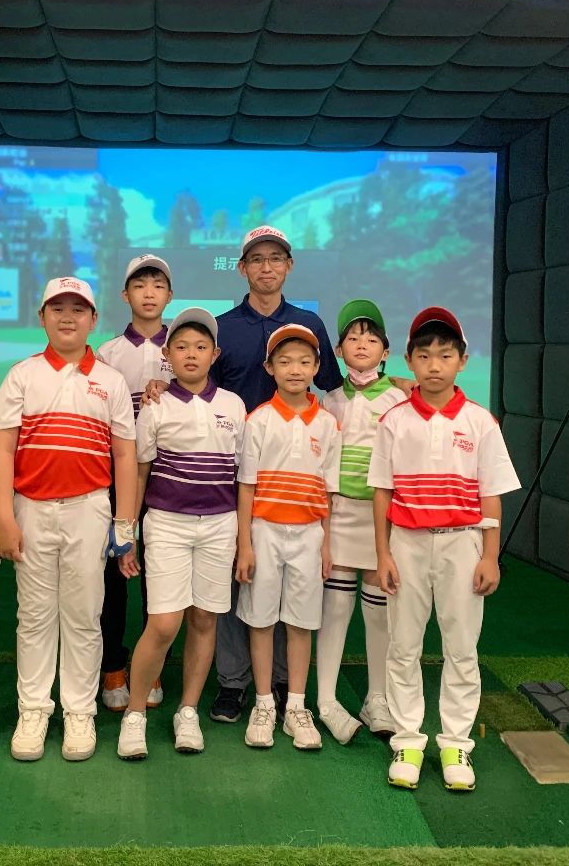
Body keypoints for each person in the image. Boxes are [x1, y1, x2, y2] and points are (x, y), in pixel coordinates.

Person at [369, 307, 521, 791]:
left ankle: (456, 744)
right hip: (407, 544)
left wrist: (490, 555)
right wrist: (383, 554)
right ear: (409, 361)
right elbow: (382, 492)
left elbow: (491, 493)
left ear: (462, 361)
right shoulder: (394, 421)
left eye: (445, 355)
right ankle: (408, 742)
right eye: (424, 355)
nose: (434, 365)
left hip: (462, 544)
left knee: (461, 649)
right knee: (403, 647)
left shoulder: (480, 422)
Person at [0, 277, 138, 763]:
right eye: (58, 308)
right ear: (42, 317)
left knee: (83, 615)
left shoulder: (111, 381)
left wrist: (125, 523)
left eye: (78, 309)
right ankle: (34, 710)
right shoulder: (22, 375)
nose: (68, 317)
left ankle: (79, 711)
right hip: (31, 508)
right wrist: (3, 518)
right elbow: (2, 450)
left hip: (89, 509)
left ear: (94, 319)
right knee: (34, 616)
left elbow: (124, 454)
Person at [207, 225, 343, 725]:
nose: (267, 267)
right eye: (257, 259)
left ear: (289, 265)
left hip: (296, 474)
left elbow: (335, 388)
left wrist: (395, 385)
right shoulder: (223, 327)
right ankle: (233, 681)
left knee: (291, 585)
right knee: (239, 576)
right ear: (242, 268)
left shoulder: (308, 323)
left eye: (276, 258)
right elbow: (202, 389)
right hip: (235, 471)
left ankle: (284, 685)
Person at [115, 308, 246, 760]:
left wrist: (242, 539)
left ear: (215, 354)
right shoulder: (154, 404)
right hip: (167, 524)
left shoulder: (233, 405)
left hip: (220, 526)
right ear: (167, 355)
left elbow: (240, 476)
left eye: (201, 346)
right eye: (182, 346)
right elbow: (140, 470)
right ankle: (135, 714)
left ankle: (187, 711)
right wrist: (129, 533)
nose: (192, 354)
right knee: (165, 623)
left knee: (205, 619)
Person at [235, 324, 340, 751]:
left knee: (300, 622)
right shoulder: (258, 420)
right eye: (285, 361)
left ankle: (296, 706)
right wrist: (244, 544)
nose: (295, 369)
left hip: (309, 535)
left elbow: (329, 492)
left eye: (304, 361)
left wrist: (326, 545)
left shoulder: (328, 424)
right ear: (269, 368)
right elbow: (246, 486)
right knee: (261, 620)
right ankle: (263, 703)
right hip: (264, 531)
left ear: (316, 367)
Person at [317, 300, 406, 744]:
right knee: (335, 608)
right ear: (338, 350)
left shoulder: (400, 398)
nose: (362, 344)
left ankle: (377, 698)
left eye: (371, 338)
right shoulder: (329, 400)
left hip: (380, 518)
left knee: (378, 610)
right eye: (353, 338)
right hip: (338, 514)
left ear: (385, 352)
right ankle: (326, 700)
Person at [95, 255, 174, 713]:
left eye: (157, 285)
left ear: (169, 295)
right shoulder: (107, 354)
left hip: (170, 479)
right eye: (140, 285)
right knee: (114, 573)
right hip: (117, 479)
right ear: (125, 295)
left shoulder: (184, 347)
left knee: (157, 576)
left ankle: (152, 665)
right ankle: (112, 665)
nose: (148, 293)